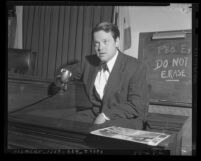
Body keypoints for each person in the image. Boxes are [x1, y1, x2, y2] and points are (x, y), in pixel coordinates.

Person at [54, 22, 149, 130]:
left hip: (125, 118)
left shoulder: (135, 66)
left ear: (117, 42)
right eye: (96, 43)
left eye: (105, 42)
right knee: (63, 125)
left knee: (97, 131)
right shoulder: (89, 62)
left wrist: (105, 115)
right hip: (95, 114)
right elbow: (67, 71)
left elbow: (136, 106)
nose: (100, 48)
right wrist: (64, 75)